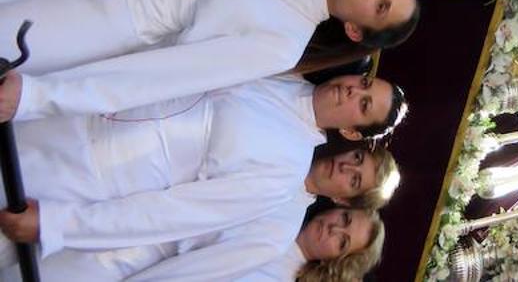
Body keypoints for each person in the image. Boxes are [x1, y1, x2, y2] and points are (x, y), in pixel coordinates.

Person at [0, 74, 405, 274]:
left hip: (97, 197)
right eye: (356, 159)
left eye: (355, 181)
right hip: (81, 123)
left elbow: (175, 224)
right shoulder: (290, 81)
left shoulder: (278, 214)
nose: (346, 167)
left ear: (342, 199)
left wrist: (60, 225)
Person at [0, 0, 419, 121]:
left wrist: (40, 97)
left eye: (381, 6)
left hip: (110, 19)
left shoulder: (282, 44)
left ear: (354, 31)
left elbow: (159, 77)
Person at [0, 206, 384, 281]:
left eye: (343, 242)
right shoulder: (283, 206)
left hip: (128, 267)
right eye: (344, 221)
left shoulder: (278, 273)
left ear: (337, 261)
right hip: (131, 230)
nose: (333, 230)